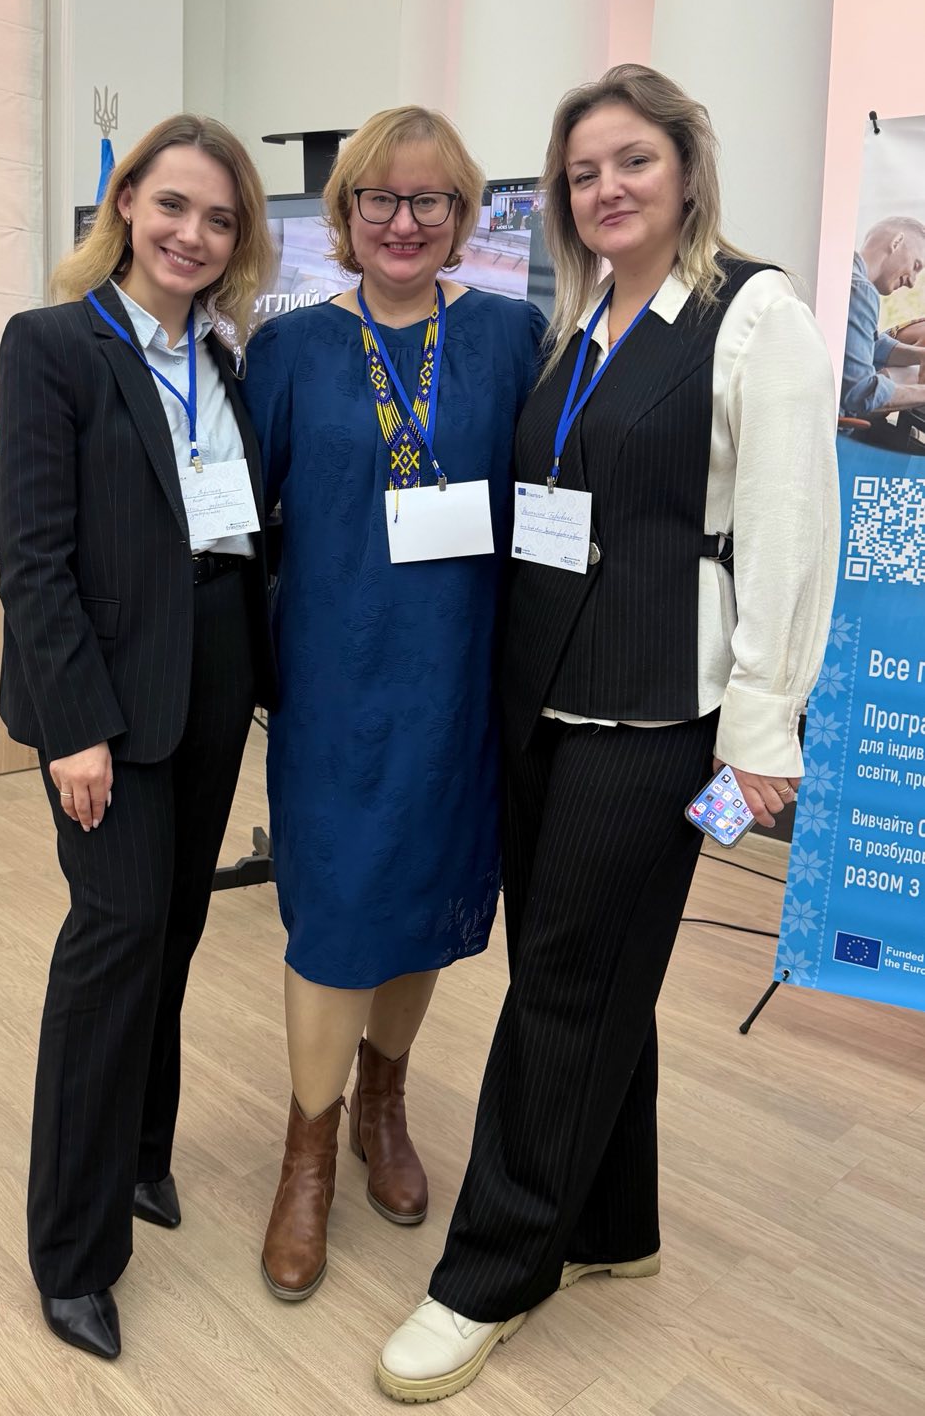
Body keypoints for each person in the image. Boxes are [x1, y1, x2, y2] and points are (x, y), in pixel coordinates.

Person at [377, 64, 840, 1402]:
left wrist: (761, 732)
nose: (605, 189)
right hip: (546, 702)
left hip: (657, 714)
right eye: (581, 172)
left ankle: (489, 1273)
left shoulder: (755, 316)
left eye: (632, 161)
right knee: (587, 974)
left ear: (686, 168)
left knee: (563, 988)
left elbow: (790, 533)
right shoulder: (580, 320)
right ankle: (608, 1226)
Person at [240, 106, 547, 1304]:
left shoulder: (512, 338)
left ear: (464, 216)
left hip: (457, 686)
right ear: (346, 212)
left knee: (420, 899)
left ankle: (384, 1098)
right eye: (379, 198)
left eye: (429, 201)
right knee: (333, 914)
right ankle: (306, 1153)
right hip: (331, 686)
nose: (403, 221)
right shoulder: (289, 350)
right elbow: (244, 526)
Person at [0, 114, 276, 1359]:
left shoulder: (225, 356)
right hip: (104, 694)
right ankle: (73, 1248)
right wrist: (74, 729)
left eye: (219, 218)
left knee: (177, 925)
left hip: (212, 671)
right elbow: (33, 556)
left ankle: (144, 1156)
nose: (191, 235)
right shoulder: (55, 344)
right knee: (112, 940)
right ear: (124, 206)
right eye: (172, 206)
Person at [841, 216, 925, 416]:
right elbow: (859, 394)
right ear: (896, 242)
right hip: (835, 427)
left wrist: (919, 354)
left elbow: (865, 343)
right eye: (916, 266)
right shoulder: (860, 290)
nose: (912, 282)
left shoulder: (842, 272)